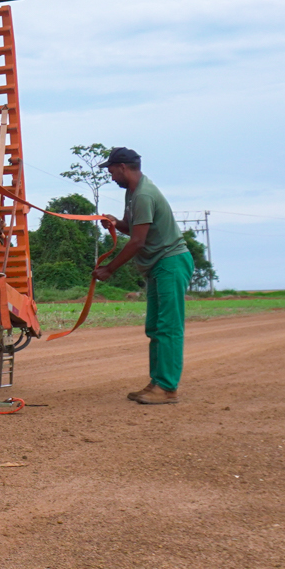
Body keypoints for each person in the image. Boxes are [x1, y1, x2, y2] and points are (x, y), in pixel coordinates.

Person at [94, 148, 193, 405]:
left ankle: (168, 388)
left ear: (124, 167)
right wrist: (116, 223)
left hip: (170, 262)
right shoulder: (133, 193)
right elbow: (134, 229)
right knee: (155, 327)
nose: (111, 175)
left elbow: (138, 242)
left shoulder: (144, 195)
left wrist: (109, 269)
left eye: (112, 170)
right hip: (158, 265)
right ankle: (157, 382)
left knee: (168, 327)